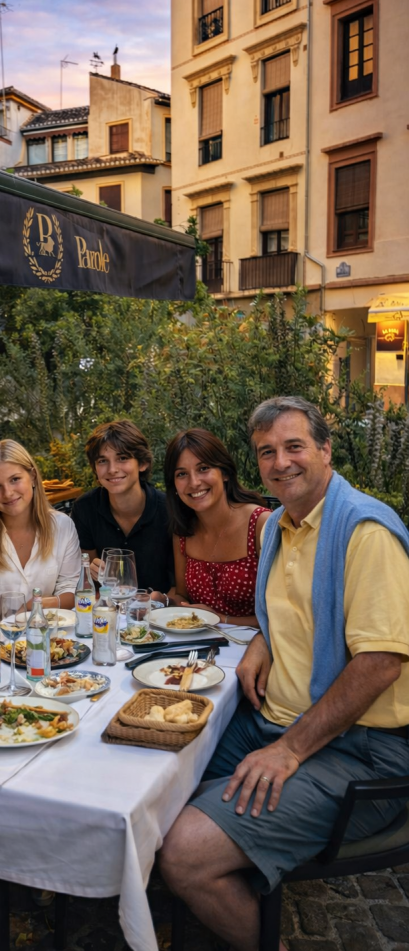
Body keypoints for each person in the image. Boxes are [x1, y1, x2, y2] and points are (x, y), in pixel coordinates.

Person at [160, 396, 409, 951]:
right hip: (274, 719)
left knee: (183, 852)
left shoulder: (364, 532)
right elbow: (289, 613)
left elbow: (380, 663)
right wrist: (260, 640)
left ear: (325, 449)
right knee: (153, 779)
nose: (281, 463)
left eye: (294, 446)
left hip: (363, 750)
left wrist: (290, 749)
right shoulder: (280, 525)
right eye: (267, 452)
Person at [0, 439, 81, 627]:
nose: (8, 493)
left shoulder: (62, 526)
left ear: (32, 476)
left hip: (46, 642)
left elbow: (71, 588)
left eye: (15, 479)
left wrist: (37, 605)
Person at [163, 428, 270, 626]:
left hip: (257, 647)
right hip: (200, 648)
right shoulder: (183, 532)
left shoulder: (260, 524)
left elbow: (282, 617)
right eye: (182, 474)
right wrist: (163, 601)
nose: (194, 482)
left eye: (203, 468)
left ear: (225, 473)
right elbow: (182, 596)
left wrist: (221, 620)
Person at [71, 419, 172, 599]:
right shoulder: (85, 508)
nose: (112, 469)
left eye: (122, 458)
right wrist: (91, 571)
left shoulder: (169, 511)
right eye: (103, 461)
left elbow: (180, 590)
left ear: (142, 463)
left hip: (161, 615)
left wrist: (157, 601)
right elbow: (89, 587)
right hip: (108, 613)